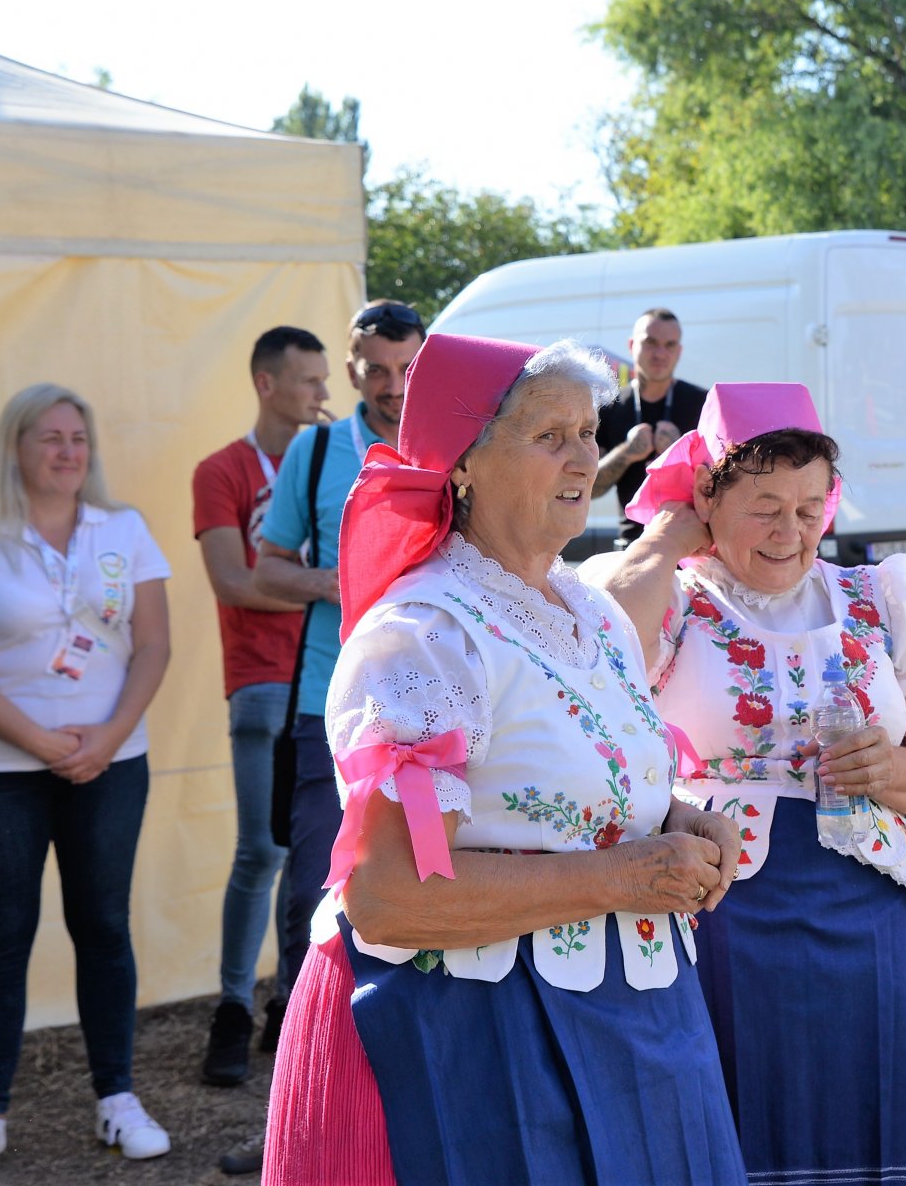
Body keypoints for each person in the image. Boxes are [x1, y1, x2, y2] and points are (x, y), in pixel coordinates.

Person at [262, 333, 746, 1185]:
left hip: (623, 1010)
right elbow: (387, 897)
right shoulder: (427, 635)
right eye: (548, 435)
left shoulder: (589, 614)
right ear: (462, 466)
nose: (582, 457)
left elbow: (576, 789)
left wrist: (676, 821)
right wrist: (627, 878)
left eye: (589, 433)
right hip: (468, 1027)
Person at [597, 382, 906, 1184]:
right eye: (764, 508)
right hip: (729, 914)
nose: (792, 533)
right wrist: (670, 535)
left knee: (888, 1129)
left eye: (810, 507)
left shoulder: (885, 599)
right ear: (709, 496)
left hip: (892, 913)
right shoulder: (672, 600)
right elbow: (596, 649)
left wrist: (885, 766)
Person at [0, 384, 174, 1184]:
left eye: (78, 437)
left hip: (110, 764)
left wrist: (104, 740)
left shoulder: (123, 531)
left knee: (103, 925)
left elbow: (154, 648)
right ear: (15, 449)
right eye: (50, 438)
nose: (68, 451)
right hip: (0, 775)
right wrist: (42, 743)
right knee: (0, 938)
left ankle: (118, 1099)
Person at [253, 300, 424, 1026]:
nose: (392, 385)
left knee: (426, 895)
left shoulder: (455, 448)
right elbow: (266, 571)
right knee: (316, 903)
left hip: (433, 709)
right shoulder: (315, 453)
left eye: (407, 368)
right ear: (349, 369)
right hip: (331, 707)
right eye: (376, 370)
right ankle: (304, 1084)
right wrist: (339, 581)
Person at [190, 326, 331, 1091]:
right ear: (266, 383)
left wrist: (288, 581)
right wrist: (325, 585)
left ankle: (292, 1004)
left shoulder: (338, 458)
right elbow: (234, 580)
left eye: (323, 380)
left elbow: (266, 577)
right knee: (264, 850)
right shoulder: (223, 470)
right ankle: (233, 1009)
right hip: (263, 682)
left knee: (315, 855)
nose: (321, 394)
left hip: (330, 680)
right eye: (308, 380)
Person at [593, 308, 706, 546]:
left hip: (689, 548)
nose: (660, 353)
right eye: (651, 343)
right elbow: (590, 489)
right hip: (631, 544)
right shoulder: (610, 407)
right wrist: (626, 452)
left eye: (669, 345)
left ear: (679, 351)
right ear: (632, 345)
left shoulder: (702, 404)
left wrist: (678, 453)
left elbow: (720, 485)